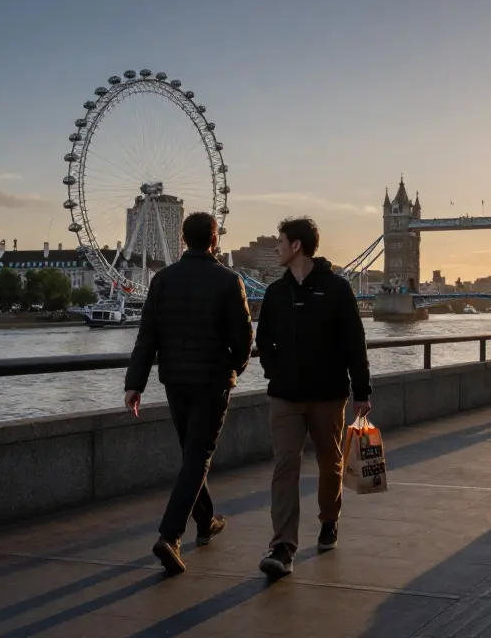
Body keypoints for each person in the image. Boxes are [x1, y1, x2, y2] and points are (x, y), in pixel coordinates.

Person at [123, 212, 253, 576]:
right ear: (215, 239)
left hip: (175, 381)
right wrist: (234, 368)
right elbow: (244, 339)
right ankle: (170, 534)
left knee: (192, 454)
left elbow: (147, 335)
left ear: (182, 239)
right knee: (198, 457)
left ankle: (206, 520)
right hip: (212, 383)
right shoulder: (229, 281)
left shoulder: (162, 280)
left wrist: (135, 383)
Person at [255, 217, 372, 579]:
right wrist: (276, 371)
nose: (276, 247)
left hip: (327, 394)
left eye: (280, 241)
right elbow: (264, 340)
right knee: (285, 465)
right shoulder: (275, 292)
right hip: (285, 396)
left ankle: (329, 520)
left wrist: (361, 391)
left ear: (297, 246)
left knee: (329, 462)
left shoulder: (337, 289)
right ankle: (282, 546)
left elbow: (355, 342)